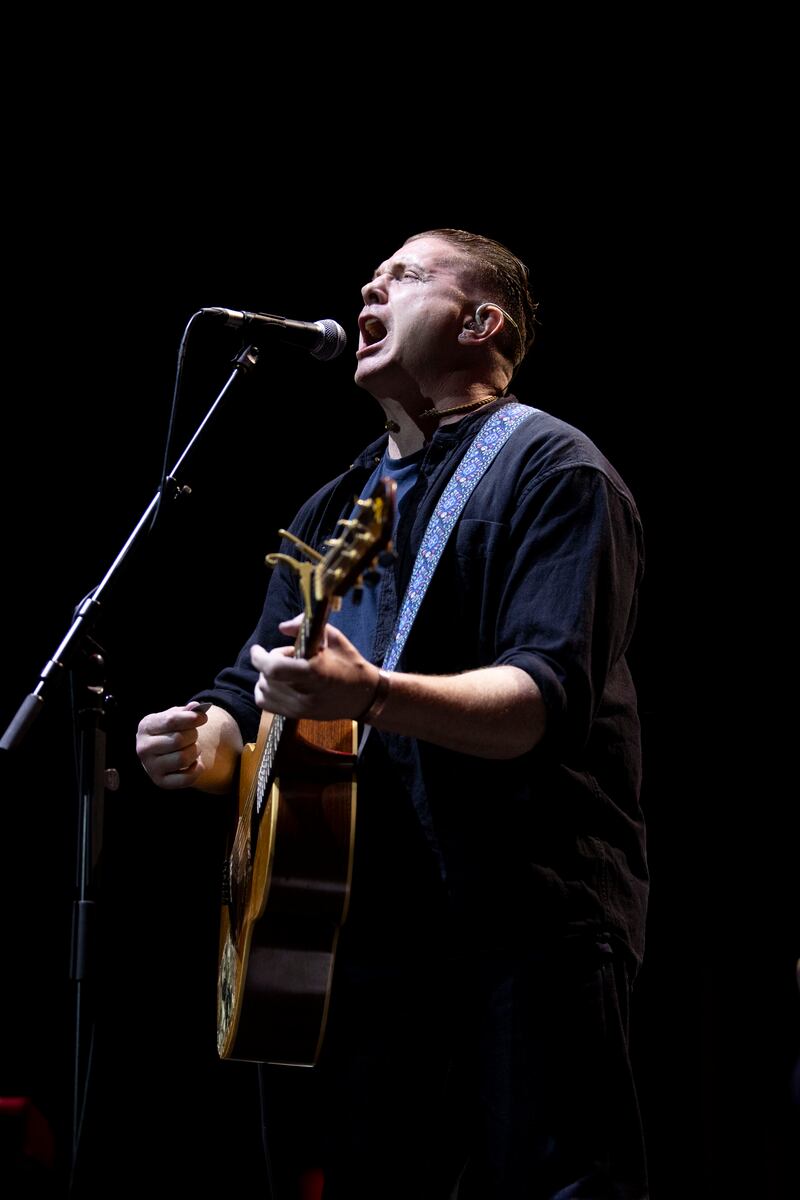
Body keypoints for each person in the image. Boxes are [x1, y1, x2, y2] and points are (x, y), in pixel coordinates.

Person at [136, 228, 650, 1199]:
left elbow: (542, 701)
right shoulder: (335, 507)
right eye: (366, 282)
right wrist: (200, 743)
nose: (367, 294)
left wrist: (369, 692)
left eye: (402, 278)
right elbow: (249, 691)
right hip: (369, 938)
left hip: (526, 919)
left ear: (479, 321)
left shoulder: (552, 470)